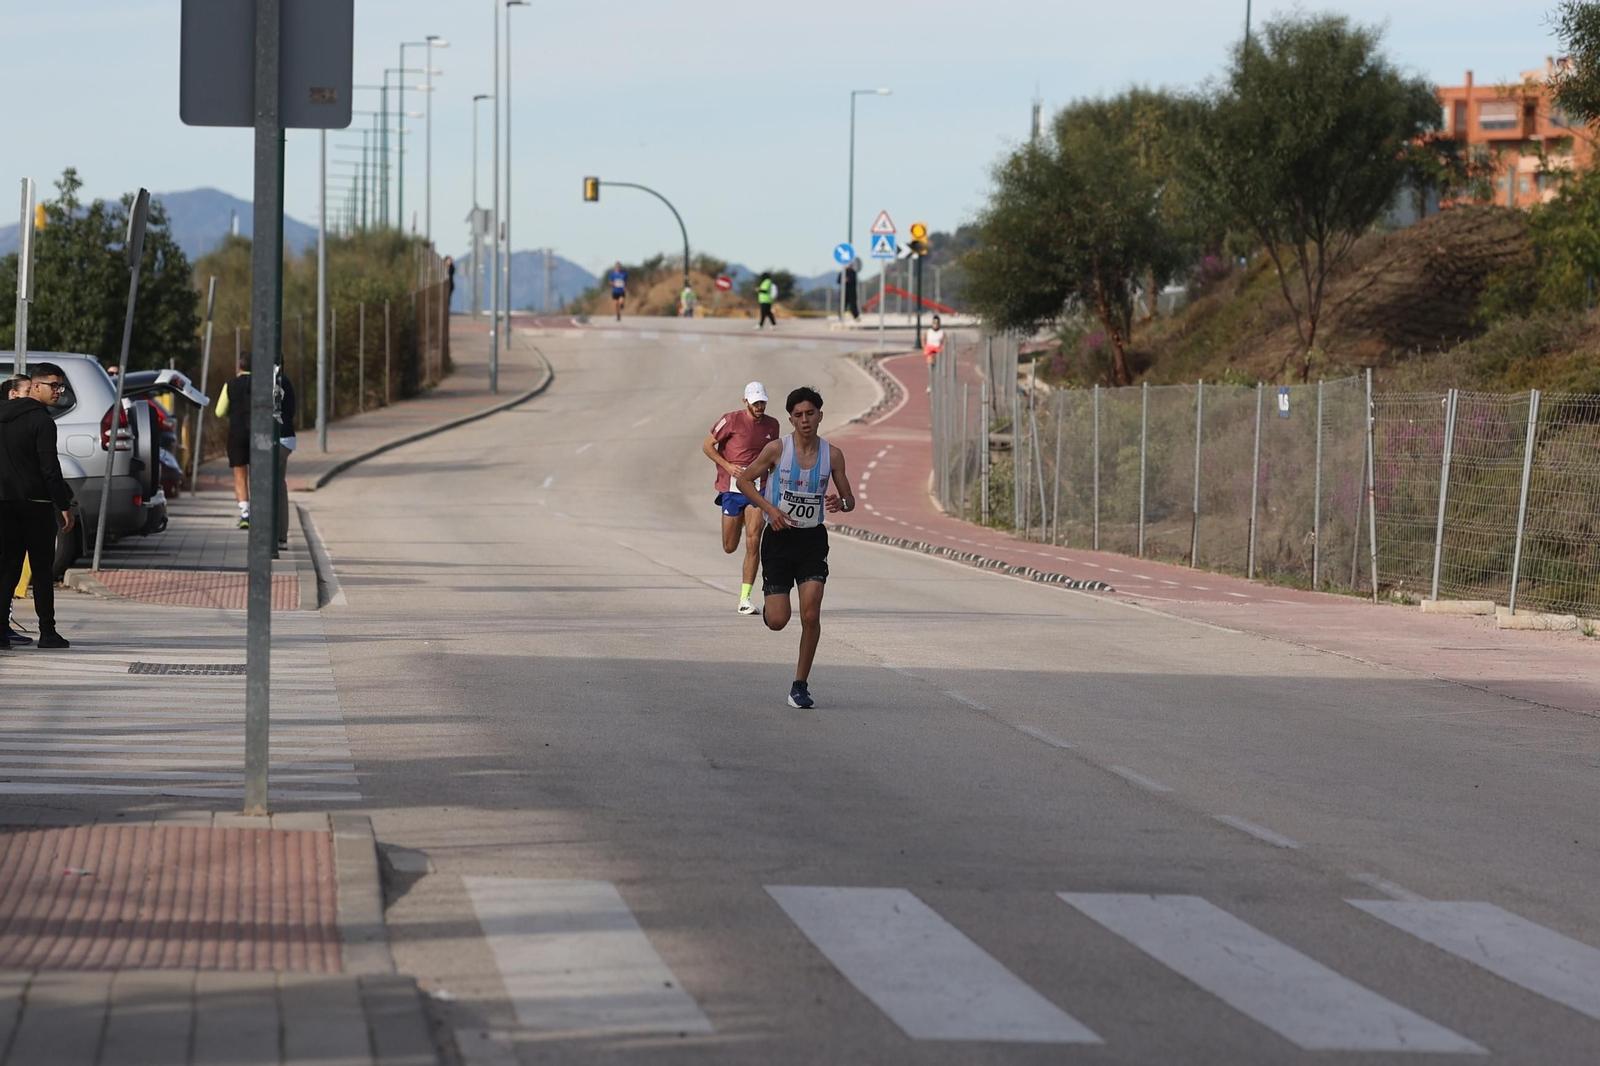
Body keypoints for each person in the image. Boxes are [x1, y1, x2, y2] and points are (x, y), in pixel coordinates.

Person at [735, 386, 855, 709]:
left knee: (811, 613)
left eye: (810, 413)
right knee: (777, 619)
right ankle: (770, 605)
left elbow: (849, 500)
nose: (805, 420)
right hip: (778, 538)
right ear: (790, 419)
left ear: (820, 416)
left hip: (812, 540)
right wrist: (769, 509)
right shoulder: (777, 450)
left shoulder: (833, 455)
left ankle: (800, 685)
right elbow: (745, 480)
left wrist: (839, 502)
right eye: (798, 415)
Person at [0, 362, 76, 649]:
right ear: (35, 386)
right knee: (41, 569)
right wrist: (64, 504)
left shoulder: (2, 414)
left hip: (4, 501)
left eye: (60, 386)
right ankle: (47, 632)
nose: (58, 391)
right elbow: (50, 468)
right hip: (36, 503)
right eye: (53, 385)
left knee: (7, 566)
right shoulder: (42, 421)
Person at [702, 381, 780, 615]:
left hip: (758, 489)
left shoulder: (772, 425)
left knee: (753, 542)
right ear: (745, 402)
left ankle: (745, 598)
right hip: (732, 489)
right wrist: (728, 466)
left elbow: (773, 456)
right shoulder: (731, 420)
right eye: (755, 402)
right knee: (729, 546)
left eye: (762, 402)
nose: (760, 406)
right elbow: (707, 446)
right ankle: (741, 520)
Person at [215, 353, 297, 534]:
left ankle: (252, 518)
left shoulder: (255, 384)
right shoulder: (284, 382)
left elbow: (220, 411)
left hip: (254, 436)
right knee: (274, 482)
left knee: (250, 478)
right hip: (278, 437)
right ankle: (279, 534)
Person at [922, 314, 946, 394]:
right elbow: (923, 339)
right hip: (930, 350)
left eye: (937, 323)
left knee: (938, 369)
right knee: (931, 367)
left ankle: (938, 385)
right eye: (934, 323)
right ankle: (931, 385)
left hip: (938, 351)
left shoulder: (942, 332)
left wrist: (942, 348)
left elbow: (945, 341)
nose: (935, 325)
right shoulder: (928, 332)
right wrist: (924, 347)